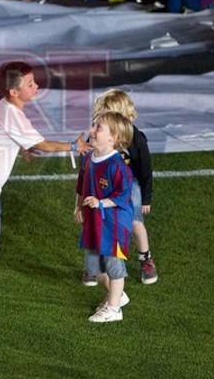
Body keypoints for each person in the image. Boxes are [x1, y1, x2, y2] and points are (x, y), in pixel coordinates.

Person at [0, 61, 90, 286]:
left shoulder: (5, 106)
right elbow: (43, 144)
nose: (36, 86)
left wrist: (23, 147)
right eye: (30, 84)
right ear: (14, 91)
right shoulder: (13, 115)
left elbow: (3, 133)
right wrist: (74, 146)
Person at [85, 89, 157, 285]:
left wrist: (146, 198)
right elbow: (88, 160)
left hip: (128, 185)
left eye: (105, 115)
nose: (98, 121)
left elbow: (145, 170)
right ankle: (95, 267)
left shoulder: (136, 138)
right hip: (103, 186)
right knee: (97, 222)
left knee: (134, 222)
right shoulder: (97, 135)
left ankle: (145, 258)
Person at [74, 110, 134, 323]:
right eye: (93, 125)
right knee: (94, 268)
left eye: (98, 127)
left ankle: (114, 309)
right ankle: (117, 296)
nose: (91, 130)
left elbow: (124, 195)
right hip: (94, 220)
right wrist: (79, 207)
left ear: (114, 137)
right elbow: (81, 184)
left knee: (113, 265)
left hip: (114, 223)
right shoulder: (89, 158)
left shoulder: (117, 166)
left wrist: (100, 203)